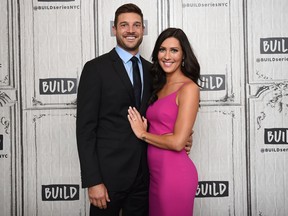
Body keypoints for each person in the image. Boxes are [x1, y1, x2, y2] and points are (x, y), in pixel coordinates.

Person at [76, 3, 192, 215]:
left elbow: (163, 112)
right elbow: (85, 129)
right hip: (108, 180)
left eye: (136, 25)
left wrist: (183, 136)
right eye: (124, 25)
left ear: (143, 29)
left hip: (146, 178)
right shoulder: (95, 69)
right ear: (114, 29)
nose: (131, 30)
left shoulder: (153, 71)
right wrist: (93, 181)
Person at [127, 28, 200, 216]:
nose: (167, 56)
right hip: (155, 175)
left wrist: (143, 134)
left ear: (184, 55)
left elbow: (177, 143)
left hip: (175, 175)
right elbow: (165, 127)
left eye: (174, 50)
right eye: (162, 50)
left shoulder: (189, 88)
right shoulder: (158, 85)